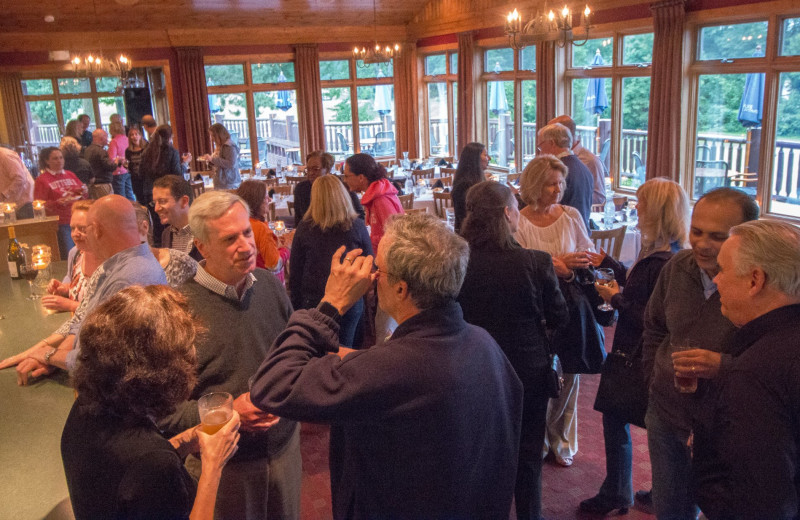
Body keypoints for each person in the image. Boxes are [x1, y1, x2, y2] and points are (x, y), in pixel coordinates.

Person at [250, 213, 523, 519]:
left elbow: (271, 386)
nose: (372, 277)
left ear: (401, 289)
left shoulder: (392, 368)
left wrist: (330, 304)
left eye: (378, 270)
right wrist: (358, 361)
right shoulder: (483, 342)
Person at [157, 190, 301, 520]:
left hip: (285, 450)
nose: (247, 246)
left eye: (247, 232)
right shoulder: (178, 311)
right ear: (202, 246)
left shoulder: (268, 285)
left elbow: (295, 355)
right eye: (230, 239)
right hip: (224, 467)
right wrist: (227, 412)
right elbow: (163, 413)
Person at [61, 284, 241, 520]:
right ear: (161, 371)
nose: (194, 354)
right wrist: (213, 465)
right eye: (187, 348)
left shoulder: (87, 406)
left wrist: (186, 440)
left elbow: (128, 477)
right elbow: (147, 466)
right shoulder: (153, 465)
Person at [641, 187, 759, 520]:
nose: (703, 244)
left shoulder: (760, 285)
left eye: (718, 237)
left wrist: (724, 366)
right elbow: (654, 328)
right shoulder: (678, 267)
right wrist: (654, 377)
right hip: (666, 414)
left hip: (725, 426)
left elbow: (775, 363)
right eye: (697, 231)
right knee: (670, 509)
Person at [578, 178, 690, 515]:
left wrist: (616, 298)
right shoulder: (667, 254)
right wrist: (612, 264)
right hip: (641, 356)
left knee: (618, 422)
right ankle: (659, 490)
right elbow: (643, 289)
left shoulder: (662, 262)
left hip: (635, 356)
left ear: (656, 210)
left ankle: (617, 493)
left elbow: (653, 317)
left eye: (641, 203)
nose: (635, 207)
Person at [457, 181, 568, 520]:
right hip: (527, 370)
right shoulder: (534, 262)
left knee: (481, 453)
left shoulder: (457, 260)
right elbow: (559, 315)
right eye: (515, 207)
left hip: (472, 367)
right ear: (507, 213)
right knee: (527, 458)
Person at [688, 220, 800, 519]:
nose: (717, 281)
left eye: (723, 270)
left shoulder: (756, 371)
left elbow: (762, 499)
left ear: (755, 281)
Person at [0, 195, 168, 382]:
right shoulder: (115, 266)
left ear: (96, 230)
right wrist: (56, 357)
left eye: (85, 228)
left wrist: (48, 354)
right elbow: (83, 322)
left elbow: (96, 363)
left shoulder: (130, 279)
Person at [514, 154, 604, 467]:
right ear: (534, 185)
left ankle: (563, 441)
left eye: (561, 182)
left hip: (569, 307)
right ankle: (537, 440)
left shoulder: (571, 216)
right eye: (551, 183)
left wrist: (564, 267)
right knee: (539, 378)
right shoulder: (519, 221)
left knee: (569, 376)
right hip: (535, 310)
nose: (558, 189)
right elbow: (521, 271)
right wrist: (559, 263)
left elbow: (588, 258)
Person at [289, 174, 372, 347]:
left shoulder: (305, 228)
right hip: (350, 295)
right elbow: (370, 262)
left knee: (318, 352)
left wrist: (296, 308)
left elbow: (295, 273)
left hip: (314, 300)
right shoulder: (356, 226)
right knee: (348, 351)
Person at [342, 153, 404, 342]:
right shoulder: (375, 196)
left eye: (347, 175)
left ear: (361, 177)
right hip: (384, 263)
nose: (344, 180)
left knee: (385, 320)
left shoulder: (380, 199)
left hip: (391, 266)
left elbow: (394, 235)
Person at [42, 200, 99, 314]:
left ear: (98, 229)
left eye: (82, 229)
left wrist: (69, 305)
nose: (75, 234)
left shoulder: (109, 260)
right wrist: (64, 289)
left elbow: (108, 312)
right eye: (73, 228)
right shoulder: (75, 253)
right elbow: (76, 283)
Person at [536, 123, 594, 230]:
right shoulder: (584, 168)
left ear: (552, 143)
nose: (540, 153)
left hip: (562, 234)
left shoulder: (556, 172)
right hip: (582, 232)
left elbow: (544, 207)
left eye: (540, 147)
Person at [34, 147, 88, 259]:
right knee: (69, 254)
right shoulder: (42, 180)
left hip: (77, 219)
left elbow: (82, 195)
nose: (59, 161)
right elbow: (38, 204)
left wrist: (84, 191)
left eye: (61, 158)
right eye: (55, 159)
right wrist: (56, 203)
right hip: (61, 223)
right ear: (47, 161)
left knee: (84, 252)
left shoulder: (70, 174)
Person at [131, 201, 198, 287]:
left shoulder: (179, 262)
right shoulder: (114, 272)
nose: (156, 208)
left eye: (162, 201)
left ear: (144, 227)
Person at [293, 150, 363, 226]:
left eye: (315, 169)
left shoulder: (342, 186)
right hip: (311, 234)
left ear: (328, 169)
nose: (311, 173)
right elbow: (298, 220)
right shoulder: (301, 189)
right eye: (308, 169)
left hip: (342, 231)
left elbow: (360, 216)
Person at [140, 124, 183, 246]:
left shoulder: (146, 151)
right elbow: (177, 175)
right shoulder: (171, 152)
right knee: (169, 225)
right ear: (170, 137)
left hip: (149, 193)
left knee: (155, 226)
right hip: (166, 193)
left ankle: (158, 254)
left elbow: (140, 173)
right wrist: (184, 165)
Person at [549, 115, 606, 205]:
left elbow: (599, 197)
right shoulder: (554, 157)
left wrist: (572, 196)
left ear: (563, 135)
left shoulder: (591, 160)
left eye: (550, 135)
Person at [235, 180, 286, 278]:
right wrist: (286, 248)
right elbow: (274, 265)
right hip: (264, 281)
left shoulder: (238, 222)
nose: (270, 200)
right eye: (266, 198)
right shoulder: (261, 229)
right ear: (257, 201)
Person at [153, 175, 203, 261]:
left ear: (184, 201)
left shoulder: (204, 232)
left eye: (162, 201)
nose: (156, 209)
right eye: (154, 203)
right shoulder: (166, 234)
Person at [451, 142, 490, 233]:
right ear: (475, 159)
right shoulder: (464, 186)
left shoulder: (477, 181)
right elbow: (470, 216)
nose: (489, 158)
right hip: (469, 235)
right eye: (485, 155)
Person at [200, 123, 241, 190]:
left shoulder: (229, 146)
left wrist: (212, 159)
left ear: (219, 135)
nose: (212, 139)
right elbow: (219, 162)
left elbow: (231, 163)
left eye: (213, 136)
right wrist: (210, 161)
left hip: (228, 182)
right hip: (220, 182)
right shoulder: (220, 146)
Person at [83, 128, 121, 199]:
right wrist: (117, 161)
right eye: (106, 137)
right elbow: (109, 167)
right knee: (107, 207)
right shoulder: (101, 151)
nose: (107, 139)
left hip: (92, 185)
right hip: (103, 185)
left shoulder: (87, 150)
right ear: (102, 138)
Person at [0, 146, 34, 220]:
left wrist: (4, 194)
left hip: (22, 204)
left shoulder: (5, 155)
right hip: (8, 205)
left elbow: (20, 179)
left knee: (27, 230)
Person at [108, 121, 134, 201]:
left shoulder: (114, 142)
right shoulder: (128, 139)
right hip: (128, 169)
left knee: (120, 196)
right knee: (130, 193)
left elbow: (112, 158)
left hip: (118, 171)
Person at [125, 125, 147, 202]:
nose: (134, 137)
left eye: (136, 134)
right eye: (132, 135)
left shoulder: (147, 147)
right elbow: (129, 166)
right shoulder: (128, 151)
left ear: (140, 136)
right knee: (140, 200)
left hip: (146, 178)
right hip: (136, 179)